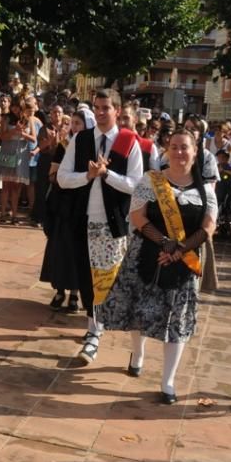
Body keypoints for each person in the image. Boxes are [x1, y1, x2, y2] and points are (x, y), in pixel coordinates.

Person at [100, 129, 216, 404]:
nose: (179, 152)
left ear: (195, 151)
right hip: (146, 254)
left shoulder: (205, 190)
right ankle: (137, 353)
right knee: (139, 310)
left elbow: (208, 228)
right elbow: (137, 217)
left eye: (184, 147)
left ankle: (168, 380)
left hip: (184, 262)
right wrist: (166, 244)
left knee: (176, 321)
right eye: (174, 147)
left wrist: (178, 250)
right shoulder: (151, 180)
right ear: (166, 150)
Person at [57, 88, 144, 364]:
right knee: (86, 277)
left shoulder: (128, 142)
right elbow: (62, 177)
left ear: (117, 110)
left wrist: (107, 175)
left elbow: (136, 185)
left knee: (108, 280)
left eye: (106, 107)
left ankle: (106, 334)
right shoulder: (81, 139)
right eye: (97, 107)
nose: (101, 112)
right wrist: (88, 175)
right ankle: (94, 329)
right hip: (83, 220)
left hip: (113, 223)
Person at [40, 109, 90, 313]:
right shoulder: (64, 145)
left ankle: (75, 294)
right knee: (60, 248)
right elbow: (52, 174)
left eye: (80, 123)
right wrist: (65, 177)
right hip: (63, 204)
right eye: (74, 123)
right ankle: (59, 290)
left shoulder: (92, 147)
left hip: (83, 205)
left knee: (79, 249)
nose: (76, 127)